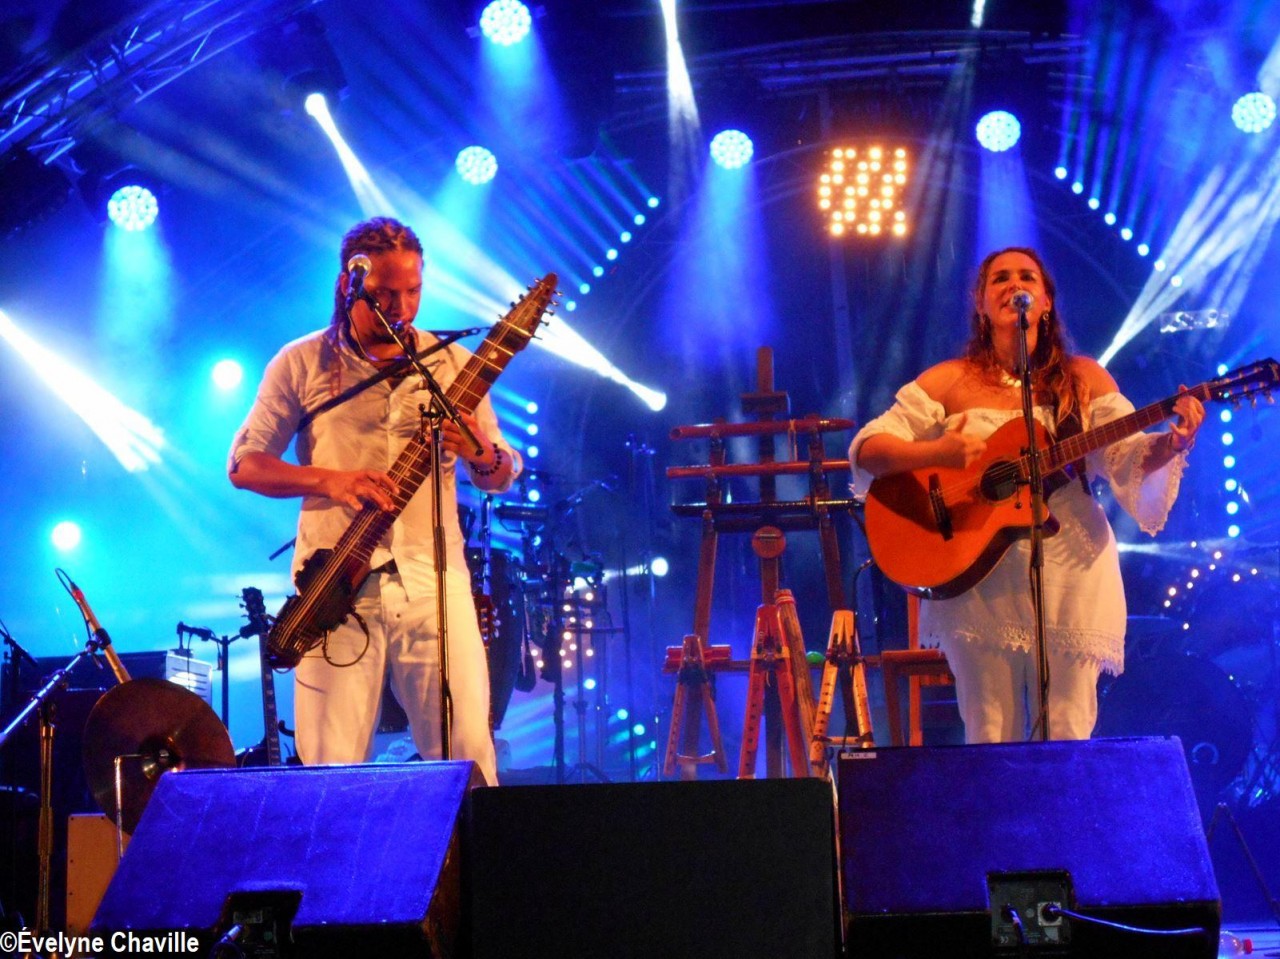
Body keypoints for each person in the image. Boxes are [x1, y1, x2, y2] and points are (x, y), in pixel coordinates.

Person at [850, 247, 1204, 743]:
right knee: (989, 728)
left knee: (1068, 726)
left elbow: (1125, 458)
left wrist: (1172, 443)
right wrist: (939, 451)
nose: (1013, 285)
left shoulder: (1083, 379)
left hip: (1071, 565)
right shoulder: (948, 381)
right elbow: (869, 448)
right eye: (999, 278)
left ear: (1046, 302)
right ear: (980, 302)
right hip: (976, 575)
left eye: (1026, 277)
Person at [228, 216, 521, 785]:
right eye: (386, 293)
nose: (401, 307)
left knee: (468, 758)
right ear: (350, 284)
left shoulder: (450, 364)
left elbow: (499, 473)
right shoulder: (301, 362)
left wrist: (479, 451)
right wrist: (332, 482)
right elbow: (244, 465)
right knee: (328, 772)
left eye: (413, 291)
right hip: (334, 587)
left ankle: (470, 848)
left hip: (433, 585)